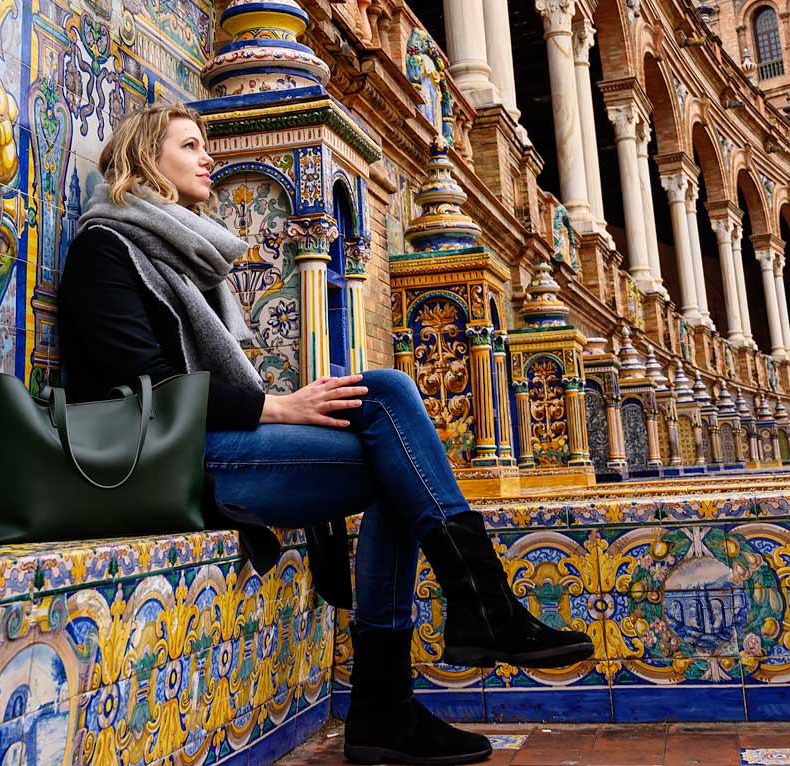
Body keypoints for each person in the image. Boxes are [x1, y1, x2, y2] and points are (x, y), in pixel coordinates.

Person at [56, 104, 592, 766]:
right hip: (155, 462)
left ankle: (459, 627)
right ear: (144, 157)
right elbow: (143, 390)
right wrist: (276, 408)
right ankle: (423, 664)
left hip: (204, 450)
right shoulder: (103, 249)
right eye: (191, 144)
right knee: (394, 457)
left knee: (389, 400)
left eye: (206, 145)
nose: (208, 158)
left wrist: (273, 408)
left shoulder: (184, 257)